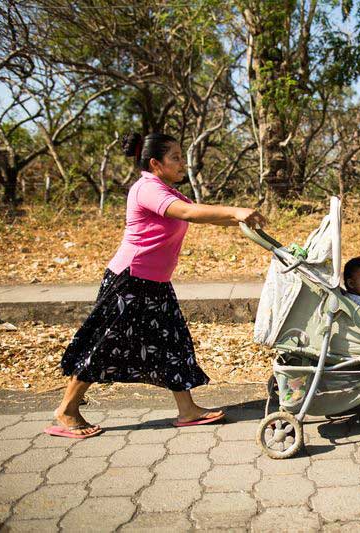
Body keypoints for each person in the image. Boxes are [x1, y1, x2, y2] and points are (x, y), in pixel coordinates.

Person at [45, 132, 267, 439]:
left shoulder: (165, 189)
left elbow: (200, 214)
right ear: (155, 163)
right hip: (130, 282)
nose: (182, 163)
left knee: (173, 345)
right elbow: (189, 213)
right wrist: (234, 210)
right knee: (104, 345)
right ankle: (66, 410)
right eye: (175, 157)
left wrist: (242, 221)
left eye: (181, 156)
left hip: (155, 284)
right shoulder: (146, 189)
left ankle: (188, 410)